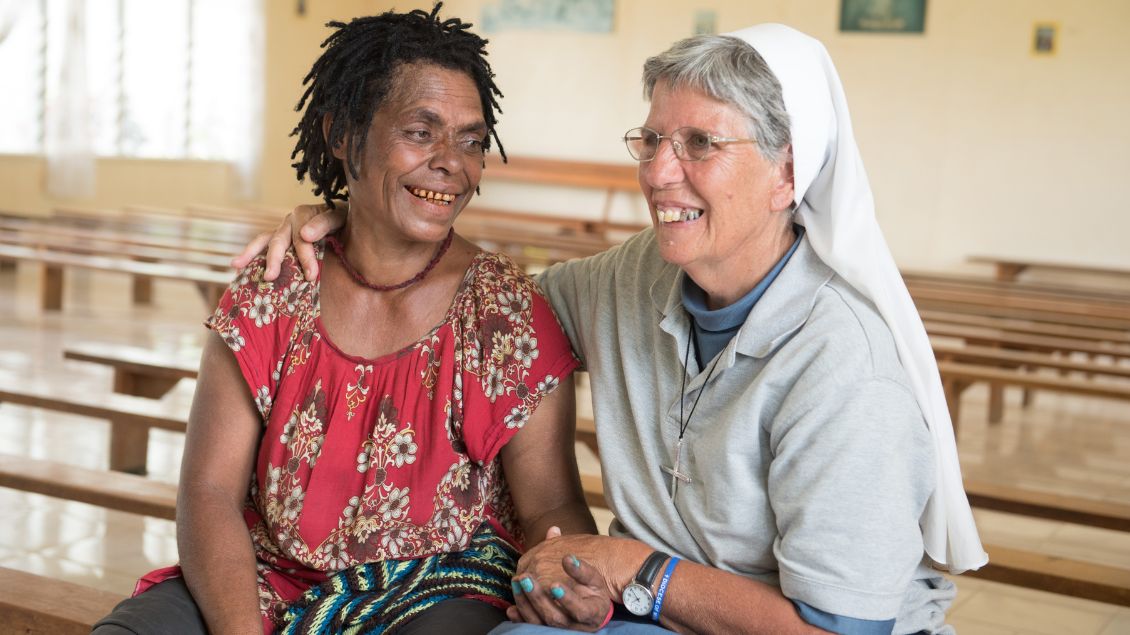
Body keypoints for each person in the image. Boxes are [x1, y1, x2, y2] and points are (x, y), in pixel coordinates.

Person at [239, 23, 988, 634]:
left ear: (788, 173)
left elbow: (839, 627)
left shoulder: (847, 367)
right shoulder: (636, 278)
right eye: (653, 138)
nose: (659, 172)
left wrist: (639, 568)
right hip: (657, 614)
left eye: (700, 143)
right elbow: (487, 310)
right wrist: (355, 226)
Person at [93, 6, 596, 635]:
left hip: (440, 589)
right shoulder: (276, 289)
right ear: (342, 133)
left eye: (470, 139)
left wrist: (575, 581)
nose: (451, 162)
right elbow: (209, 493)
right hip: (268, 574)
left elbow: (551, 502)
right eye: (421, 131)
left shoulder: (504, 313)